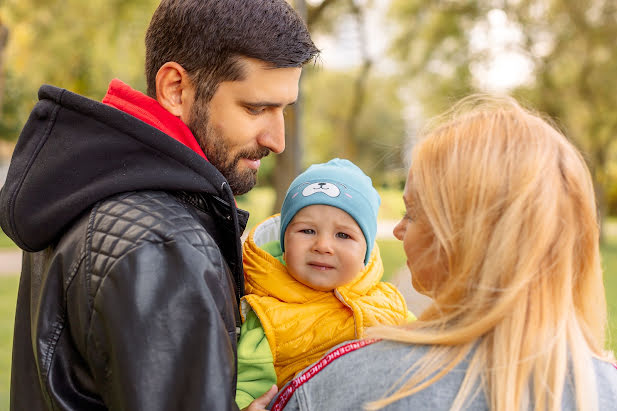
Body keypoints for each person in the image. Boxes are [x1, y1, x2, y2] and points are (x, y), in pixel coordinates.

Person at [0, 1, 318, 410]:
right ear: (175, 88)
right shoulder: (164, 245)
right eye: (256, 108)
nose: (278, 140)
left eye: (284, 111)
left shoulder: (82, 189)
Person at [269, 95, 617, 411]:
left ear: (464, 234)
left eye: (413, 212)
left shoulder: (342, 384)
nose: (399, 229)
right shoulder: (605, 388)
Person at [234, 158, 411, 409]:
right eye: (307, 231)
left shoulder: (388, 303)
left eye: (343, 235)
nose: (323, 246)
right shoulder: (267, 316)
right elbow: (248, 386)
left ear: (365, 252)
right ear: (285, 243)